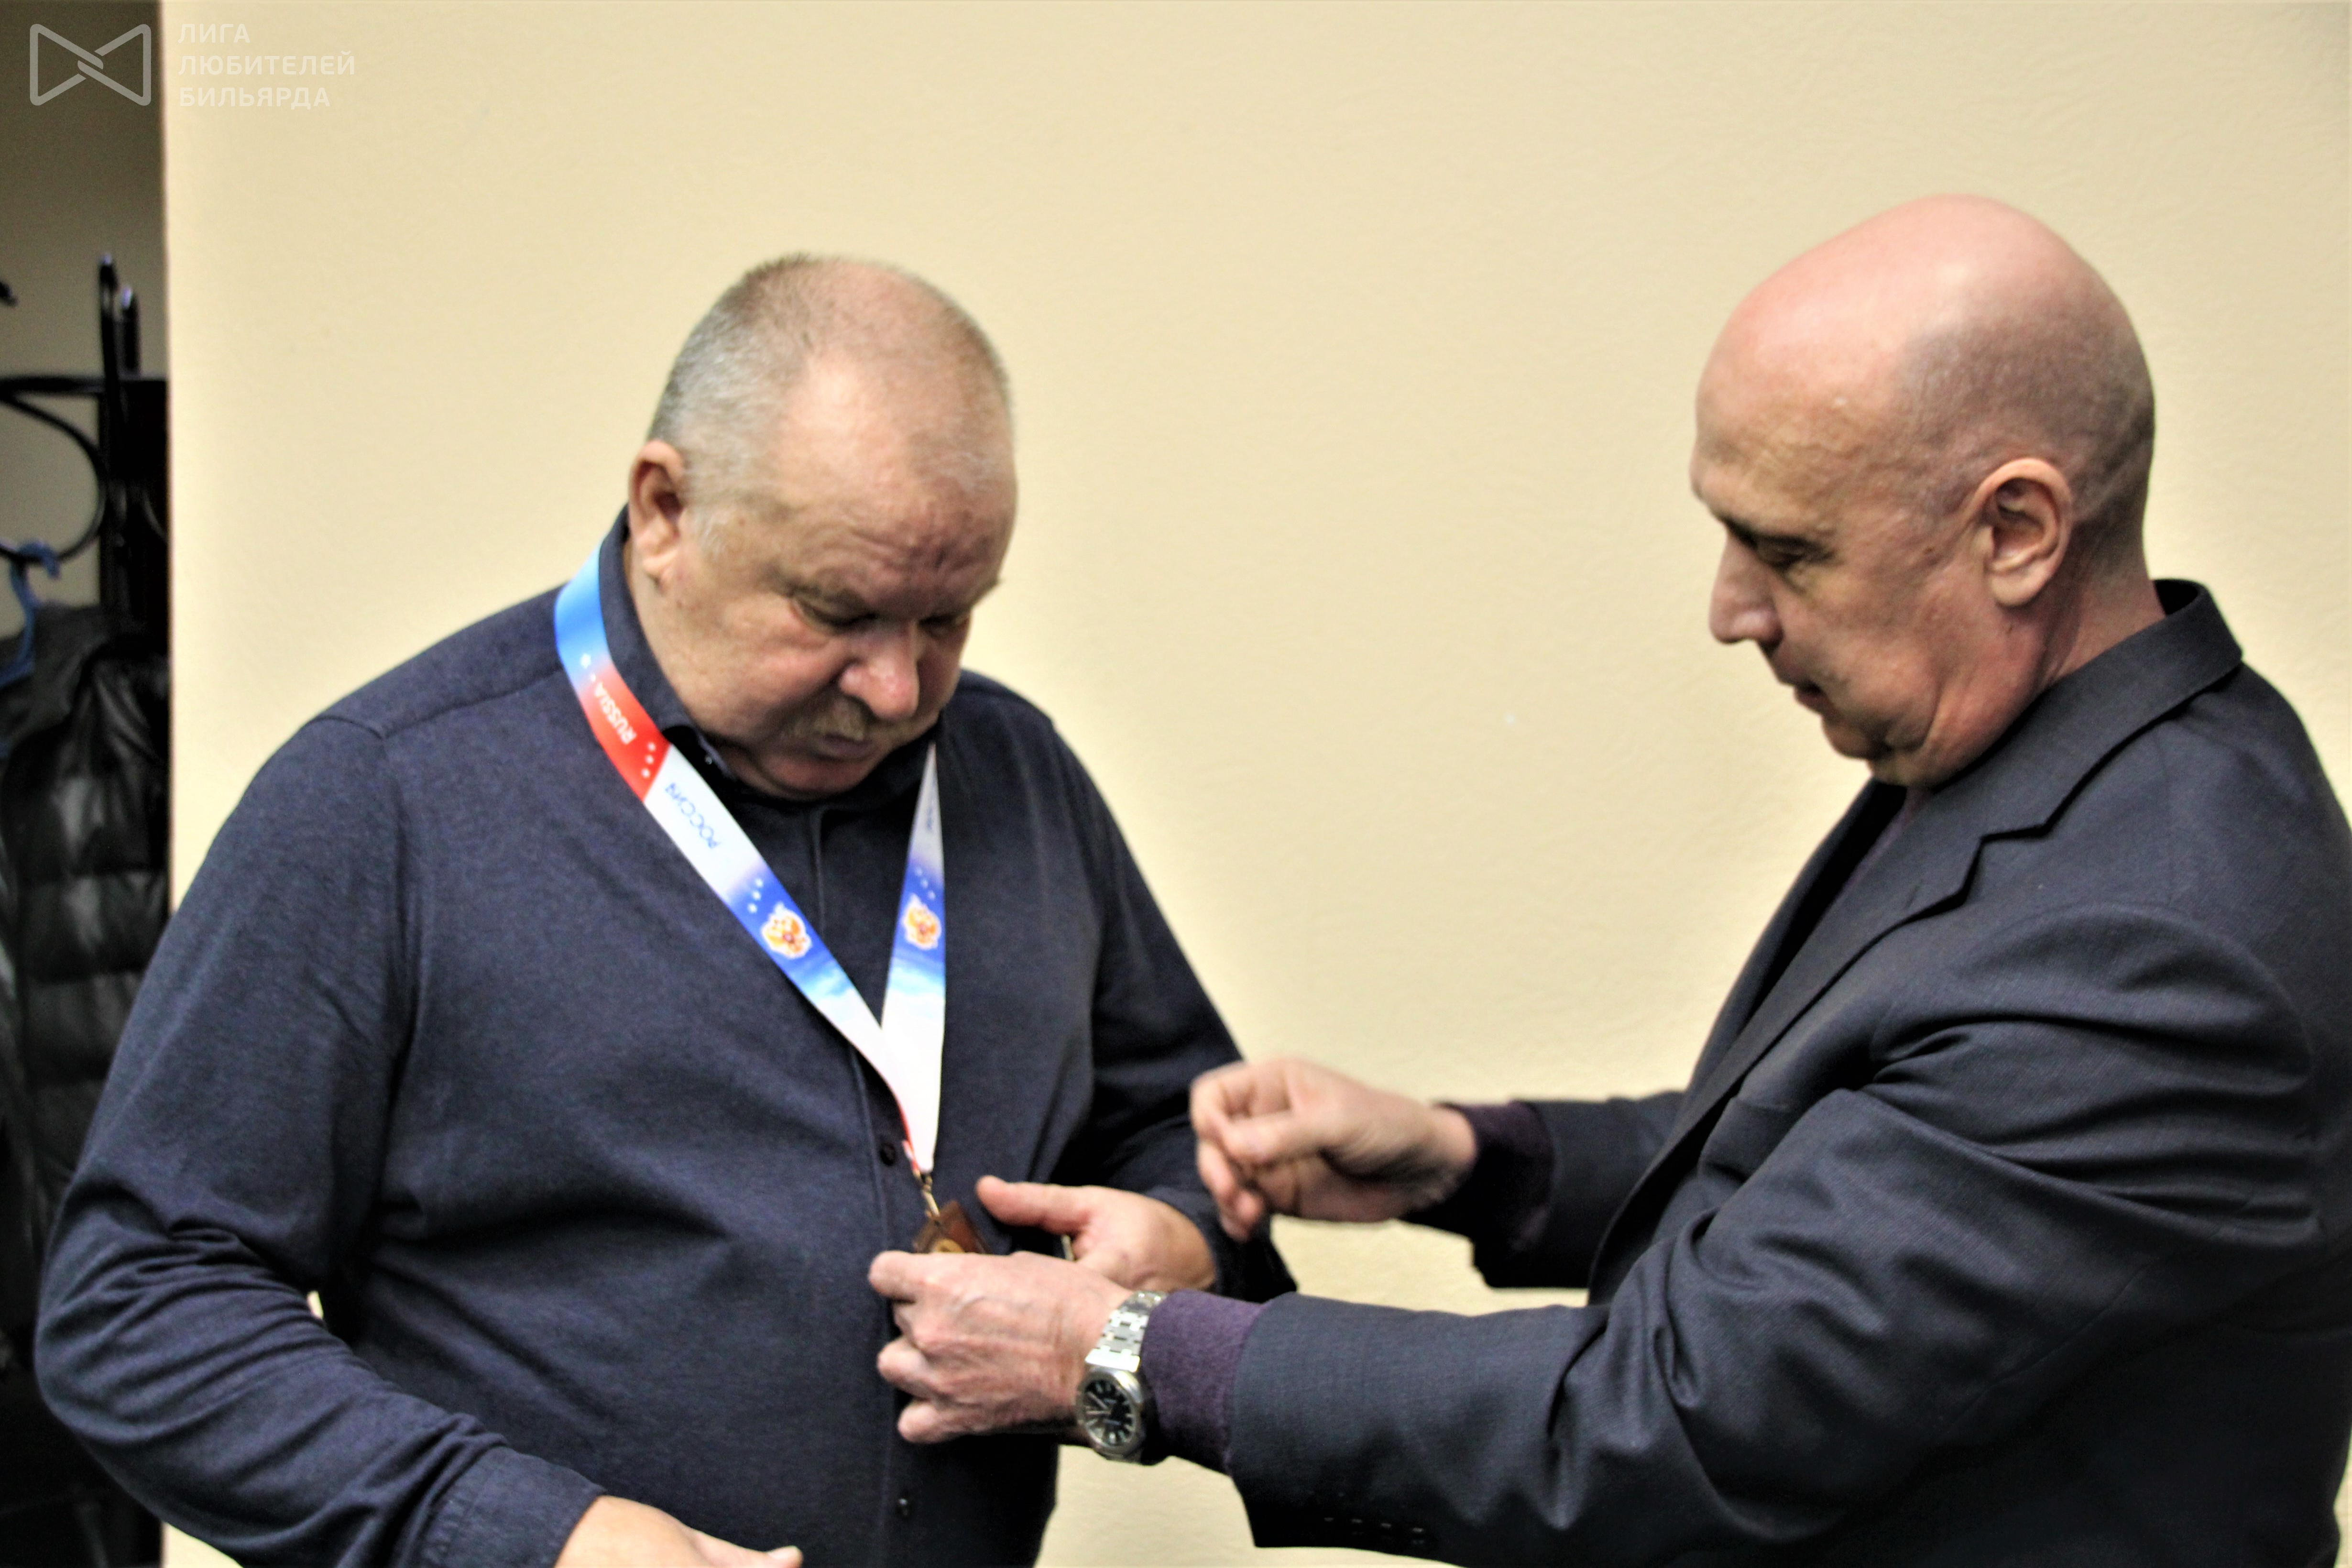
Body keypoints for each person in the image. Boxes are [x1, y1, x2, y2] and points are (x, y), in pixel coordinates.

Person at [868, 197, 2352, 1565]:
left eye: (1790, 551)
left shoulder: (2158, 938)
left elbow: (1681, 1416)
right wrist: (1465, 1159)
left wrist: (1129, 1355)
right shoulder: (2061, 762)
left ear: (2016, 533)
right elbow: (1846, 1152)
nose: (1732, 611)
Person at [35, 257, 1288, 1568]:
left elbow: (1180, 1125)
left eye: (949, 619)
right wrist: (538, 1539)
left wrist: (1187, 1241)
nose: (898, 688)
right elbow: (139, 1307)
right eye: (838, 611)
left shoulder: (1017, 774)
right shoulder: (382, 799)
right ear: (665, 510)